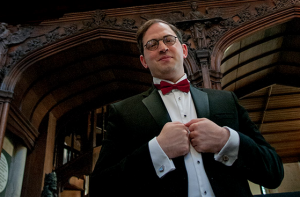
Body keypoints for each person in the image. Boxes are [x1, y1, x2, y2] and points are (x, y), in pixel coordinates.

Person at [89, 19, 284, 197]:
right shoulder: (124, 112)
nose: (163, 48)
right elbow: (101, 188)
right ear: (143, 61)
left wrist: (226, 141)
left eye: (168, 40)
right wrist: (157, 151)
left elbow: (274, 173)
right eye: (152, 44)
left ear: (183, 50)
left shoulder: (226, 101)